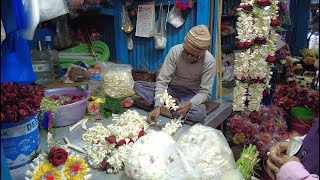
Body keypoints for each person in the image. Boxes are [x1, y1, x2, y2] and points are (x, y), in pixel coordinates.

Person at [134, 25, 215, 124]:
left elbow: (205, 92)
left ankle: (176, 105)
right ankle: (173, 105)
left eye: (194, 55)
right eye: (186, 52)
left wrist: (190, 104)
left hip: (191, 94)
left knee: (200, 114)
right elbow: (162, 81)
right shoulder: (175, 51)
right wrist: (157, 106)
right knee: (138, 86)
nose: (189, 57)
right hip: (172, 89)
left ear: (201, 54)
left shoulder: (209, 61)